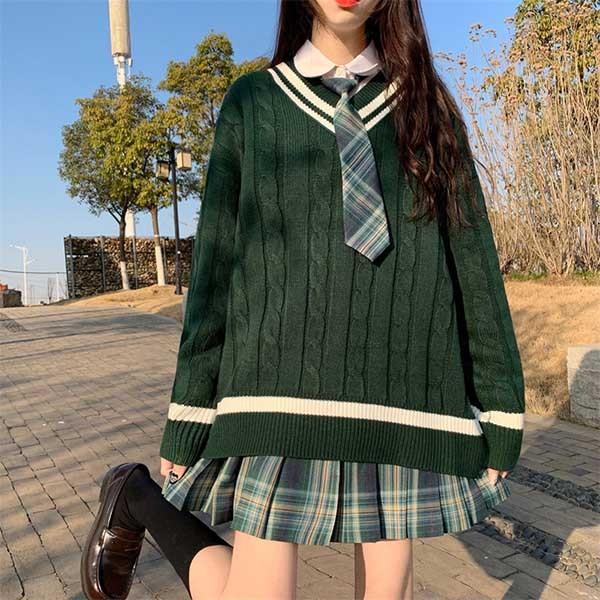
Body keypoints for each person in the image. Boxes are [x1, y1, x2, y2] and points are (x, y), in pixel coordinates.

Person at [80, 0, 526, 599]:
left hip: (401, 399)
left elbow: (473, 263)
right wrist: (190, 408)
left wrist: (500, 403)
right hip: (273, 393)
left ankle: (136, 497)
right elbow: (214, 272)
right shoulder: (253, 105)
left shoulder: (428, 108)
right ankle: (138, 498)